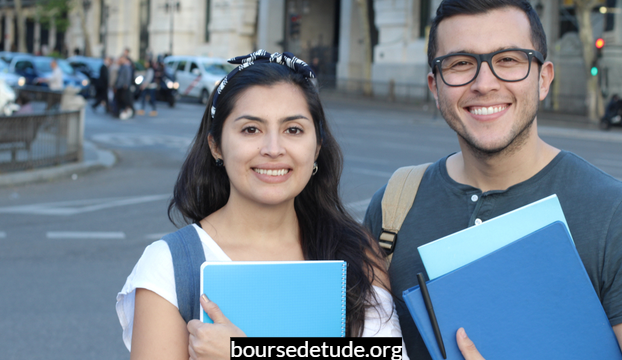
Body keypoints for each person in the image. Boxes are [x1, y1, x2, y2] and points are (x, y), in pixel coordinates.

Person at [362, 1, 622, 359]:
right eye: (460, 64)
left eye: (508, 60)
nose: (484, 84)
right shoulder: (392, 206)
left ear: (544, 78)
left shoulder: (614, 214)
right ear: (435, 87)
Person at [116, 50, 412, 359]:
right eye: (251, 129)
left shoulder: (356, 252)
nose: (273, 149)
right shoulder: (169, 265)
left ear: (317, 147)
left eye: (293, 130)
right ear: (216, 145)